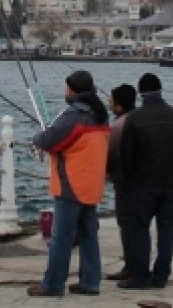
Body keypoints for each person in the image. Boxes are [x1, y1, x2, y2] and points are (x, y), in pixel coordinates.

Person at [28, 70, 111, 297]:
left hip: (71, 185)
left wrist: (37, 138)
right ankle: (90, 282)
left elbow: (48, 140)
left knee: (61, 239)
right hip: (92, 185)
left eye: (67, 88)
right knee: (88, 235)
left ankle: (53, 285)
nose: (65, 92)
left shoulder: (74, 115)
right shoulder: (100, 115)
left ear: (73, 90)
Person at [117, 73, 173, 290]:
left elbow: (126, 156)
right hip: (170, 183)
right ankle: (161, 275)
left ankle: (141, 275)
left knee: (140, 228)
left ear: (140, 92)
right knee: (166, 230)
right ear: (160, 90)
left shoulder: (134, 119)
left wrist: (128, 182)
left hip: (143, 184)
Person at [106, 83, 138, 282]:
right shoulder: (139, 119)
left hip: (124, 182)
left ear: (118, 105)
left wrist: (107, 174)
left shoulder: (116, 127)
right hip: (143, 180)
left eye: (111, 99)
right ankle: (138, 263)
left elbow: (107, 156)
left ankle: (131, 265)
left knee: (126, 223)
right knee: (138, 224)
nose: (108, 102)